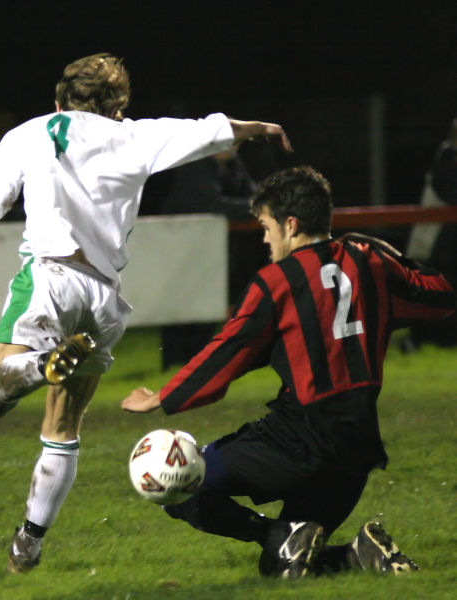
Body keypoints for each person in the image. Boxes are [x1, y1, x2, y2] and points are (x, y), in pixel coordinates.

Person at [0, 52, 292, 573]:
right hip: (103, 299)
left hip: (50, 278)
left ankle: (39, 363)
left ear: (58, 100)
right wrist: (259, 128)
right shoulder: (136, 136)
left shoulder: (27, 134)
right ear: (119, 108)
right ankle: (28, 543)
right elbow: (210, 131)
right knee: (63, 428)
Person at [122, 166, 455, 579]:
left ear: (291, 224)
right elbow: (439, 298)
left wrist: (163, 396)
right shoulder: (370, 262)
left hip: (297, 439)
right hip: (356, 450)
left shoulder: (275, 282)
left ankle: (276, 532)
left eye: (266, 227)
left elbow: (229, 349)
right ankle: (359, 553)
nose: (264, 238)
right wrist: (391, 258)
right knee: (282, 568)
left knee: (178, 484)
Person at [158, 147, 258, 369]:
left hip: (208, 244)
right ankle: (175, 363)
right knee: (179, 306)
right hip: (179, 243)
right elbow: (212, 205)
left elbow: (252, 193)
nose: (234, 146)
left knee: (209, 303)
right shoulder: (196, 163)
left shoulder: (232, 163)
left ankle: (196, 361)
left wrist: (260, 202)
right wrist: (259, 206)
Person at [403, 117, 457, 351]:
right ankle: (416, 339)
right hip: (437, 241)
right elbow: (451, 193)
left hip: (446, 240)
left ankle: (433, 338)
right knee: (435, 290)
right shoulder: (448, 157)